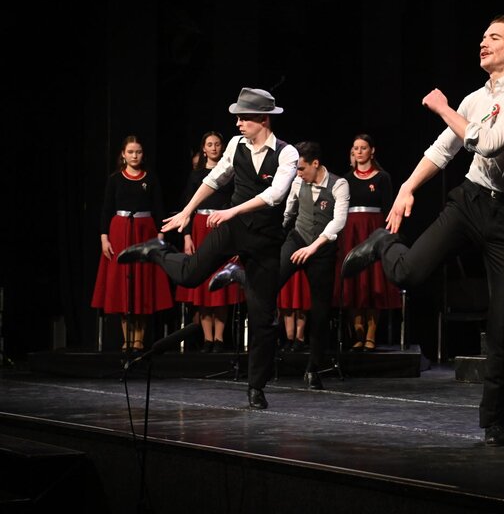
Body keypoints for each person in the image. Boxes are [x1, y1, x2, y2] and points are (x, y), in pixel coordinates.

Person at [341, 14, 504, 447]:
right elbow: (442, 150)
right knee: (408, 272)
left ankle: (494, 421)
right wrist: (406, 187)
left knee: (503, 325)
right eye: (482, 36)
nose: (483, 42)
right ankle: (384, 243)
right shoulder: (474, 99)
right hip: (471, 202)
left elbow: (488, 143)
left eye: (494, 37)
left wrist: (442, 108)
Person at [117, 87, 298, 410]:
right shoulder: (236, 145)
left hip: (265, 240)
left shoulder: (286, 153)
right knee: (189, 276)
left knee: (263, 320)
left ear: (263, 119)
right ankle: (155, 251)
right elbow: (215, 178)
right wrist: (187, 211)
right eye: (237, 118)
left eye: (244, 118)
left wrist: (232, 211)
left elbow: (275, 195)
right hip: (233, 229)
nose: (238, 123)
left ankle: (256, 387)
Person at [211, 141, 350, 390]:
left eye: (302, 168)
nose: (298, 173)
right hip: (297, 240)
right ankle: (240, 275)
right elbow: (287, 214)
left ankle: (313, 369)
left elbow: (337, 223)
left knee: (320, 312)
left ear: (316, 163)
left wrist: (313, 248)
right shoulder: (297, 182)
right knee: (268, 285)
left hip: (322, 250)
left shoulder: (339, 184)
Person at [91, 135, 174, 352]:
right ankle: (126, 338)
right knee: (123, 285)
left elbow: (159, 208)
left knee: (142, 283)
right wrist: (104, 238)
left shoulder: (151, 179)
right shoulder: (115, 179)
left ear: (142, 154)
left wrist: (160, 235)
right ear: (123, 154)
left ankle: (139, 339)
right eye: (130, 152)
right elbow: (106, 209)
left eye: (138, 152)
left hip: (145, 231)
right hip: (120, 232)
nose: (134, 156)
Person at [174, 131, 244, 353]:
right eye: (209, 144)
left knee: (221, 287)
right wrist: (187, 236)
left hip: (223, 226)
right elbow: (187, 207)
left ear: (222, 148)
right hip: (200, 228)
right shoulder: (196, 175)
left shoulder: (230, 174)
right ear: (203, 149)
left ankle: (219, 339)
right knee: (203, 287)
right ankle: (207, 339)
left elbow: (237, 204)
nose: (214, 148)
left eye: (217, 144)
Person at [336, 134, 401, 352]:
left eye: (363, 148)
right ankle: (357, 333)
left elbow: (389, 209)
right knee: (354, 282)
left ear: (372, 151)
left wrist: (387, 237)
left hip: (374, 231)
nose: (359, 151)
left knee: (374, 282)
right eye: (356, 148)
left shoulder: (382, 178)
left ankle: (371, 334)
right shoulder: (345, 179)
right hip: (351, 232)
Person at [279, 269, 310, 352]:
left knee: (301, 298)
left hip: (301, 266)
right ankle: (289, 338)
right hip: (286, 264)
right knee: (286, 298)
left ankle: (299, 338)